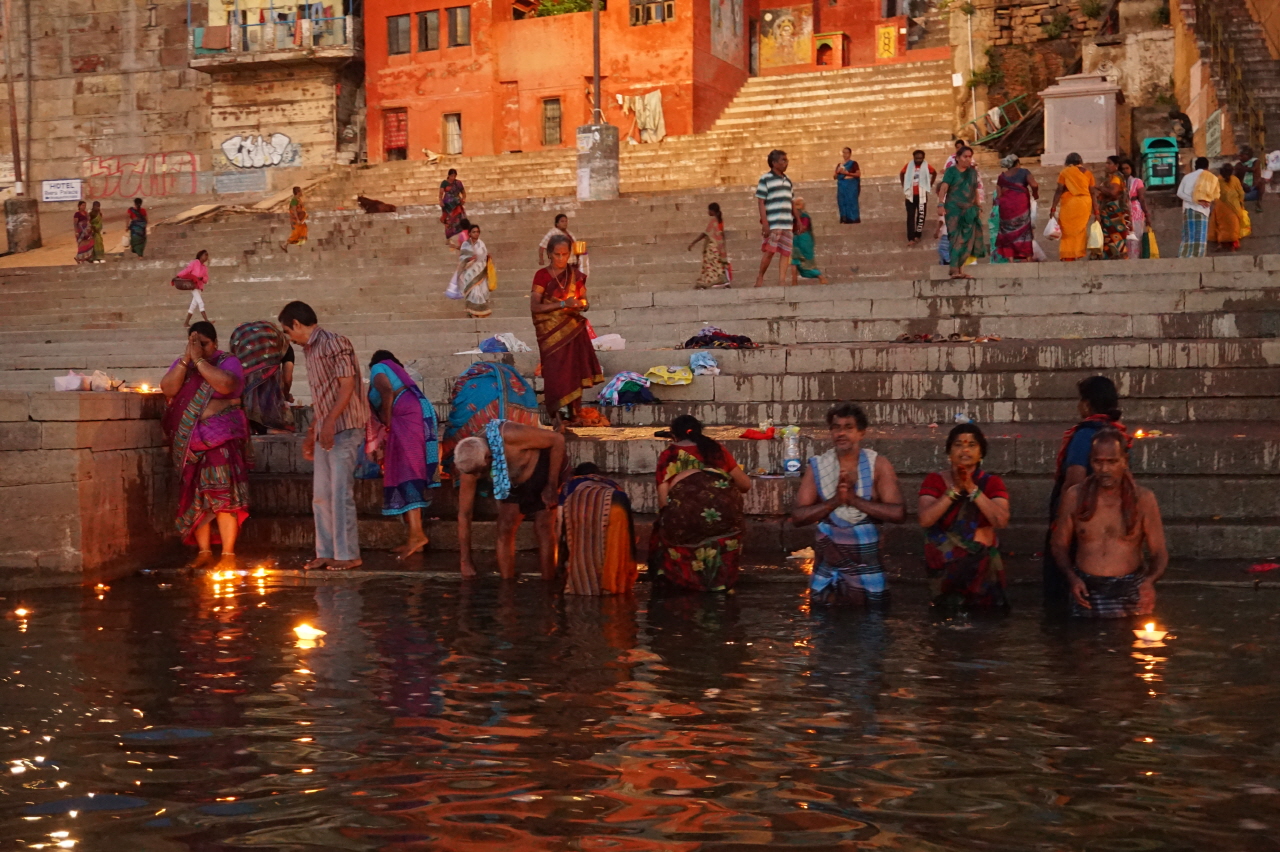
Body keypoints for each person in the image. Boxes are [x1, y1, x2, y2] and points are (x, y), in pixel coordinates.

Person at [278, 300, 371, 571]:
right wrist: (313, 432)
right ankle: (326, 552)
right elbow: (323, 397)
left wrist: (330, 422)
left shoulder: (334, 342)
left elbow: (347, 385)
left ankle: (348, 555)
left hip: (346, 426)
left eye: (287, 331)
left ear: (296, 324)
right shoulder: (310, 350)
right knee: (321, 495)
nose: (289, 338)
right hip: (326, 429)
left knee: (340, 493)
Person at [791, 402, 905, 606]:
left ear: (861, 433)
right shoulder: (818, 466)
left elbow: (898, 514)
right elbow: (798, 517)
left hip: (868, 569)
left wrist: (854, 500)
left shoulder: (878, 465)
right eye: (836, 428)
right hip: (827, 568)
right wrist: (835, 502)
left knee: (873, 619)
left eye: (848, 427)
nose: (841, 433)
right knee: (824, 619)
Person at [159, 321, 249, 569]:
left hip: (220, 441)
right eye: (194, 343)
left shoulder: (227, 361)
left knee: (222, 496)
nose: (199, 348)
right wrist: (187, 360)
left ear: (215, 343)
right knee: (195, 496)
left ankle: (228, 555)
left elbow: (226, 385)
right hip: (189, 445)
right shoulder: (184, 364)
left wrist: (200, 361)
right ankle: (204, 552)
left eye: (204, 344)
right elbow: (168, 389)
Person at [1051, 428, 1168, 618]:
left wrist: (1149, 582)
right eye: (1098, 462)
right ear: (1090, 462)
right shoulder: (1074, 496)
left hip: (1131, 589)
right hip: (1086, 588)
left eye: (1112, 462)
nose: (1104, 470)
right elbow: (1059, 544)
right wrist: (1072, 578)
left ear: (1124, 461)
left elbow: (1159, 552)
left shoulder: (1143, 499)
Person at [1042, 375, 1126, 611]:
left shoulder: (1085, 435)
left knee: (1064, 590)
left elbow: (1074, 480)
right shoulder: (1117, 435)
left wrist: (1061, 521)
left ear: (1087, 404)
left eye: (1080, 400)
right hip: (1110, 521)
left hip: (1081, 520)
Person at [650, 415, 752, 592]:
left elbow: (663, 500)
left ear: (674, 435)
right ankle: (720, 585)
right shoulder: (715, 449)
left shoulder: (669, 455)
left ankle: (685, 585)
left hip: (684, 516)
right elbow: (745, 485)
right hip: (725, 516)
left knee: (662, 531)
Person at [454, 420, 566, 581]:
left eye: (479, 472)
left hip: (542, 468)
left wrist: (552, 485)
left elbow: (558, 440)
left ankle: (549, 582)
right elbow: (464, 514)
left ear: (489, 458)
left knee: (543, 526)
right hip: (512, 481)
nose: (477, 477)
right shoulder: (470, 463)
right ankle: (507, 583)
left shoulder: (510, 434)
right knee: (505, 525)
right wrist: (465, 561)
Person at [917, 424, 1011, 611]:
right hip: (946, 569)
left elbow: (1000, 520)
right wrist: (955, 489)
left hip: (983, 568)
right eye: (958, 445)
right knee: (945, 619)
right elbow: (925, 519)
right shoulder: (935, 481)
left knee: (987, 620)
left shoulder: (991, 483)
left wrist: (972, 489)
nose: (965, 450)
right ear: (949, 452)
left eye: (972, 445)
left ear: (981, 453)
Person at [368, 350, 440, 558]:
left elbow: (386, 391)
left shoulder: (378, 367)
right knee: (409, 470)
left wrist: (387, 421)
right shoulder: (398, 372)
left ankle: (417, 535)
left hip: (406, 415)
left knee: (408, 471)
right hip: (416, 412)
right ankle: (415, 536)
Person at [531, 234, 605, 426]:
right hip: (551, 334)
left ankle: (572, 413)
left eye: (565, 254)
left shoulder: (575, 275)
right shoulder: (542, 275)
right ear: (549, 254)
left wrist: (581, 305)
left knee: (573, 371)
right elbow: (535, 306)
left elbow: (584, 301)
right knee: (555, 373)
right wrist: (563, 304)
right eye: (557, 254)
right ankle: (557, 415)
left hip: (573, 330)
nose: (561, 258)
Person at [558, 462, 637, 595]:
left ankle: (590, 586)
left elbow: (561, 518)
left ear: (577, 474)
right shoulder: (611, 483)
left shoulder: (569, 484)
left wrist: (562, 545)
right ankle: (614, 586)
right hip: (618, 504)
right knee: (614, 547)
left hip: (586, 506)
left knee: (585, 548)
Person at [230, 320, 295, 434]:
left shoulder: (274, 340)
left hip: (242, 344)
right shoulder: (285, 347)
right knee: (270, 390)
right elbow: (287, 379)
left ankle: (253, 427)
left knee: (249, 394)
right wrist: (285, 395)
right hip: (254, 346)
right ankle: (271, 429)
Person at [935, 146, 986, 279]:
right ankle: (954, 270)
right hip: (953, 209)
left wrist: (978, 206)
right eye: (965, 157)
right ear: (957, 158)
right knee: (955, 238)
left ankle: (961, 270)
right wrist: (940, 204)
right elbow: (944, 187)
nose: (968, 159)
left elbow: (974, 190)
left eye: (970, 157)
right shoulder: (951, 171)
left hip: (969, 209)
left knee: (967, 239)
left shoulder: (972, 173)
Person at [754, 149, 794, 287]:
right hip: (774, 222)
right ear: (774, 163)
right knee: (770, 251)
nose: (786, 163)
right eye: (783, 160)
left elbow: (792, 201)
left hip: (787, 223)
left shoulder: (788, 181)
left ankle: (782, 281)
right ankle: (760, 276)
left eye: (786, 160)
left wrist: (798, 220)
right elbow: (761, 201)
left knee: (785, 253)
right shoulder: (765, 179)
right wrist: (765, 223)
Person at [993, 154, 1038, 262]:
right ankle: (1027, 257)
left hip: (1006, 207)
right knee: (1024, 230)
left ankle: (1011, 260)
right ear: (1017, 163)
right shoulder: (1024, 172)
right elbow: (1034, 185)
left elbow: (999, 196)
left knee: (1007, 231)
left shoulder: (1001, 176)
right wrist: (1035, 194)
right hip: (1020, 205)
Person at [445, 223, 491, 318]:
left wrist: (487, 258)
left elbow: (484, 255)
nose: (476, 234)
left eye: (477, 232)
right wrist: (470, 259)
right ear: (469, 233)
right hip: (470, 272)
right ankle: (471, 311)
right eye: (474, 232)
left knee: (482, 291)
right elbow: (463, 257)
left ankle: (479, 312)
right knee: (473, 292)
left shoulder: (481, 244)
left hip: (481, 271)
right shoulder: (466, 244)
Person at [1177, 156, 1217, 258]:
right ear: (1207, 167)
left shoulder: (1187, 177)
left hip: (1188, 210)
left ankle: (1184, 256)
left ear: (1195, 166)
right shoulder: (1210, 178)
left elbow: (1179, 193)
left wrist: (1193, 200)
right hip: (1202, 211)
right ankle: (1198, 258)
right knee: (1200, 237)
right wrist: (1199, 201)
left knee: (1188, 235)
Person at [1096, 156, 1132, 260]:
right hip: (1108, 214)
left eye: (1109, 163)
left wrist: (1098, 187)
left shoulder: (1116, 177)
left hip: (1115, 214)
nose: (1106, 165)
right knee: (1109, 240)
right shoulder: (1110, 178)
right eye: (1106, 163)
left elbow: (1113, 193)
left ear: (1116, 165)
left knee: (1116, 240)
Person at [1208, 163, 1248, 252]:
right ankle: (1233, 245)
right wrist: (1241, 203)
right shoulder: (1235, 180)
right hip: (1234, 208)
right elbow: (1241, 193)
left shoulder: (1217, 180)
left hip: (1220, 207)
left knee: (1220, 227)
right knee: (1234, 227)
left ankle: (1221, 244)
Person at [900, 149, 936, 246]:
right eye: (917, 158)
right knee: (910, 216)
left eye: (920, 158)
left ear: (923, 158)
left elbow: (934, 172)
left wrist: (930, 184)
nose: (918, 160)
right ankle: (911, 238)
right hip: (910, 195)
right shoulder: (909, 165)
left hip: (921, 195)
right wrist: (904, 185)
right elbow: (902, 173)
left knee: (921, 216)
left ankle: (918, 235)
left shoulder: (926, 166)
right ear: (913, 158)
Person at [689, 202, 729, 289]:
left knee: (710, 266)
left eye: (709, 210)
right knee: (717, 265)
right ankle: (722, 282)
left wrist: (694, 242)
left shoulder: (713, 221)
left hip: (712, 247)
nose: (708, 212)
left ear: (712, 211)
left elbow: (705, 233)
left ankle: (707, 283)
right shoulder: (719, 221)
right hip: (718, 247)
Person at [790, 197, 829, 285]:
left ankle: (821, 277)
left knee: (807, 262)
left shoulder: (804, 216)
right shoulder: (793, 217)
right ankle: (794, 282)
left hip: (804, 240)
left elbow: (803, 228)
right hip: (796, 239)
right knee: (794, 261)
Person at [1120, 159, 1153, 261]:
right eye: (1123, 169)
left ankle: (1135, 259)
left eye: (1127, 168)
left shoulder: (1137, 181)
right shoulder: (1119, 182)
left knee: (1136, 236)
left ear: (1131, 169)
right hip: (1122, 211)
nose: (1125, 171)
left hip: (1135, 211)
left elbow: (1142, 198)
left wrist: (1147, 214)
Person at [174, 250, 211, 325]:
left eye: (207, 255)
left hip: (199, 287)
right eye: (205, 255)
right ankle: (206, 321)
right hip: (193, 285)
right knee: (200, 302)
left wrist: (202, 278)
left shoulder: (204, 267)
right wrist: (178, 275)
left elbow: (206, 278)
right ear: (200, 256)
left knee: (193, 305)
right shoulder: (194, 263)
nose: (206, 257)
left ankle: (186, 323)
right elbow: (187, 270)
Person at [439, 168, 467, 243]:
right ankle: (448, 238)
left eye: (454, 176)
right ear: (448, 175)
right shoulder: (444, 183)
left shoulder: (458, 183)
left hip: (457, 204)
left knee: (459, 219)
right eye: (451, 176)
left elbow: (463, 192)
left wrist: (463, 199)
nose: (453, 177)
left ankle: (461, 236)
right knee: (448, 220)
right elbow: (441, 193)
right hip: (447, 206)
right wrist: (440, 201)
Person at [835, 147, 862, 224]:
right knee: (842, 201)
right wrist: (838, 172)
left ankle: (853, 218)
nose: (845, 154)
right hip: (842, 186)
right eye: (843, 152)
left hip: (851, 186)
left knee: (851, 201)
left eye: (846, 153)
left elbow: (858, 174)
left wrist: (847, 173)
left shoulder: (853, 164)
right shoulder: (840, 165)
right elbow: (835, 176)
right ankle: (844, 217)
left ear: (850, 154)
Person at [280, 186, 308, 252]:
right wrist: (298, 219)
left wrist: (304, 215)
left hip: (300, 219)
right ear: (298, 192)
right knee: (295, 233)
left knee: (303, 228)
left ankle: (299, 244)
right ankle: (285, 244)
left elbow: (301, 209)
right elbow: (294, 210)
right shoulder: (294, 200)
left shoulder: (298, 199)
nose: (302, 192)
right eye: (300, 191)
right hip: (295, 220)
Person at [1237, 145, 1264, 212]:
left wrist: (1242, 168)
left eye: (1241, 156)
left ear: (1247, 155)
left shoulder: (1256, 161)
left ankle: (1259, 203)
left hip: (1254, 189)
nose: (1240, 158)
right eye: (1239, 156)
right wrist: (1243, 184)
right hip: (1243, 190)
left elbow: (1253, 169)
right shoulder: (1239, 164)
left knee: (1261, 181)